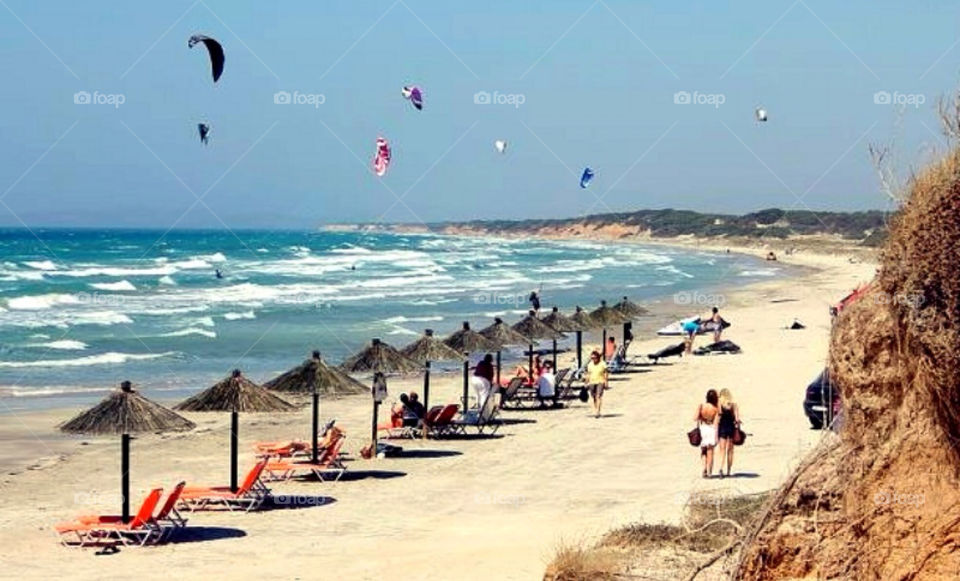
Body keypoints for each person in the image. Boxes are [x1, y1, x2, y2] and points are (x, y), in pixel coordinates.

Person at [694, 390, 720, 478]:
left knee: (703, 450)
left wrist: (702, 417)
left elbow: (695, 418)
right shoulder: (715, 409)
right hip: (711, 429)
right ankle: (709, 472)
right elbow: (716, 424)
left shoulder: (701, 406)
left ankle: (704, 467)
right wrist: (716, 437)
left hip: (703, 429)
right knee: (710, 451)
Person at [716, 389, 741, 478]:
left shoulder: (719, 405)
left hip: (722, 427)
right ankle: (729, 471)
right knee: (730, 451)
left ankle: (720, 468)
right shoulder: (734, 405)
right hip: (731, 428)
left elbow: (718, 416)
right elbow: (737, 419)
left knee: (722, 450)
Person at [585, 349, 609, 418]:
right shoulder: (590, 364)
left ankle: (597, 411)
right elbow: (588, 374)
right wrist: (586, 382)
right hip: (592, 382)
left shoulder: (602, 363)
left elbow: (606, 372)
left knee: (598, 396)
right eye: (592, 358)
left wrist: (606, 381)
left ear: (597, 357)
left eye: (594, 358)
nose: (593, 359)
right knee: (594, 397)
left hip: (600, 381)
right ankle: (597, 410)